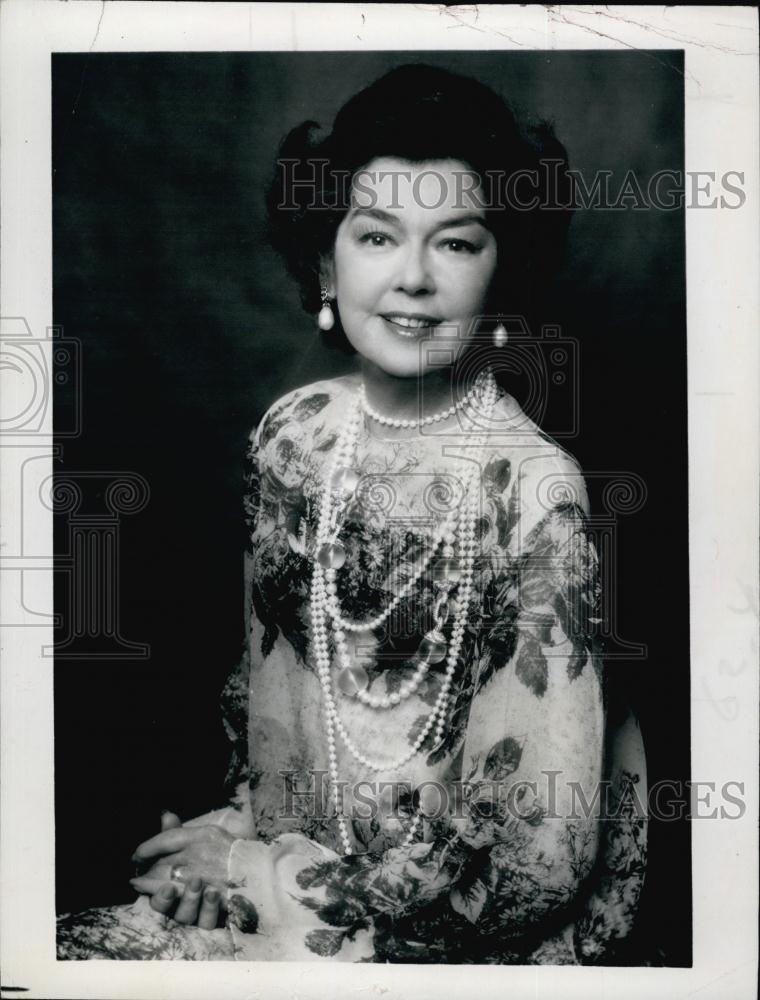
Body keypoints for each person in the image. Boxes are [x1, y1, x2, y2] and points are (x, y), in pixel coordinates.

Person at [57, 63, 648, 964]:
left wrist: (267, 879)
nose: (411, 278)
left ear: (504, 270)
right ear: (326, 258)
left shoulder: (537, 496)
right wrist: (228, 855)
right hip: (289, 866)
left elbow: (537, 859)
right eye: (378, 236)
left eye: (455, 243)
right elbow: (267, 710)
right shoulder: (293, 438)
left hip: (446, 931)